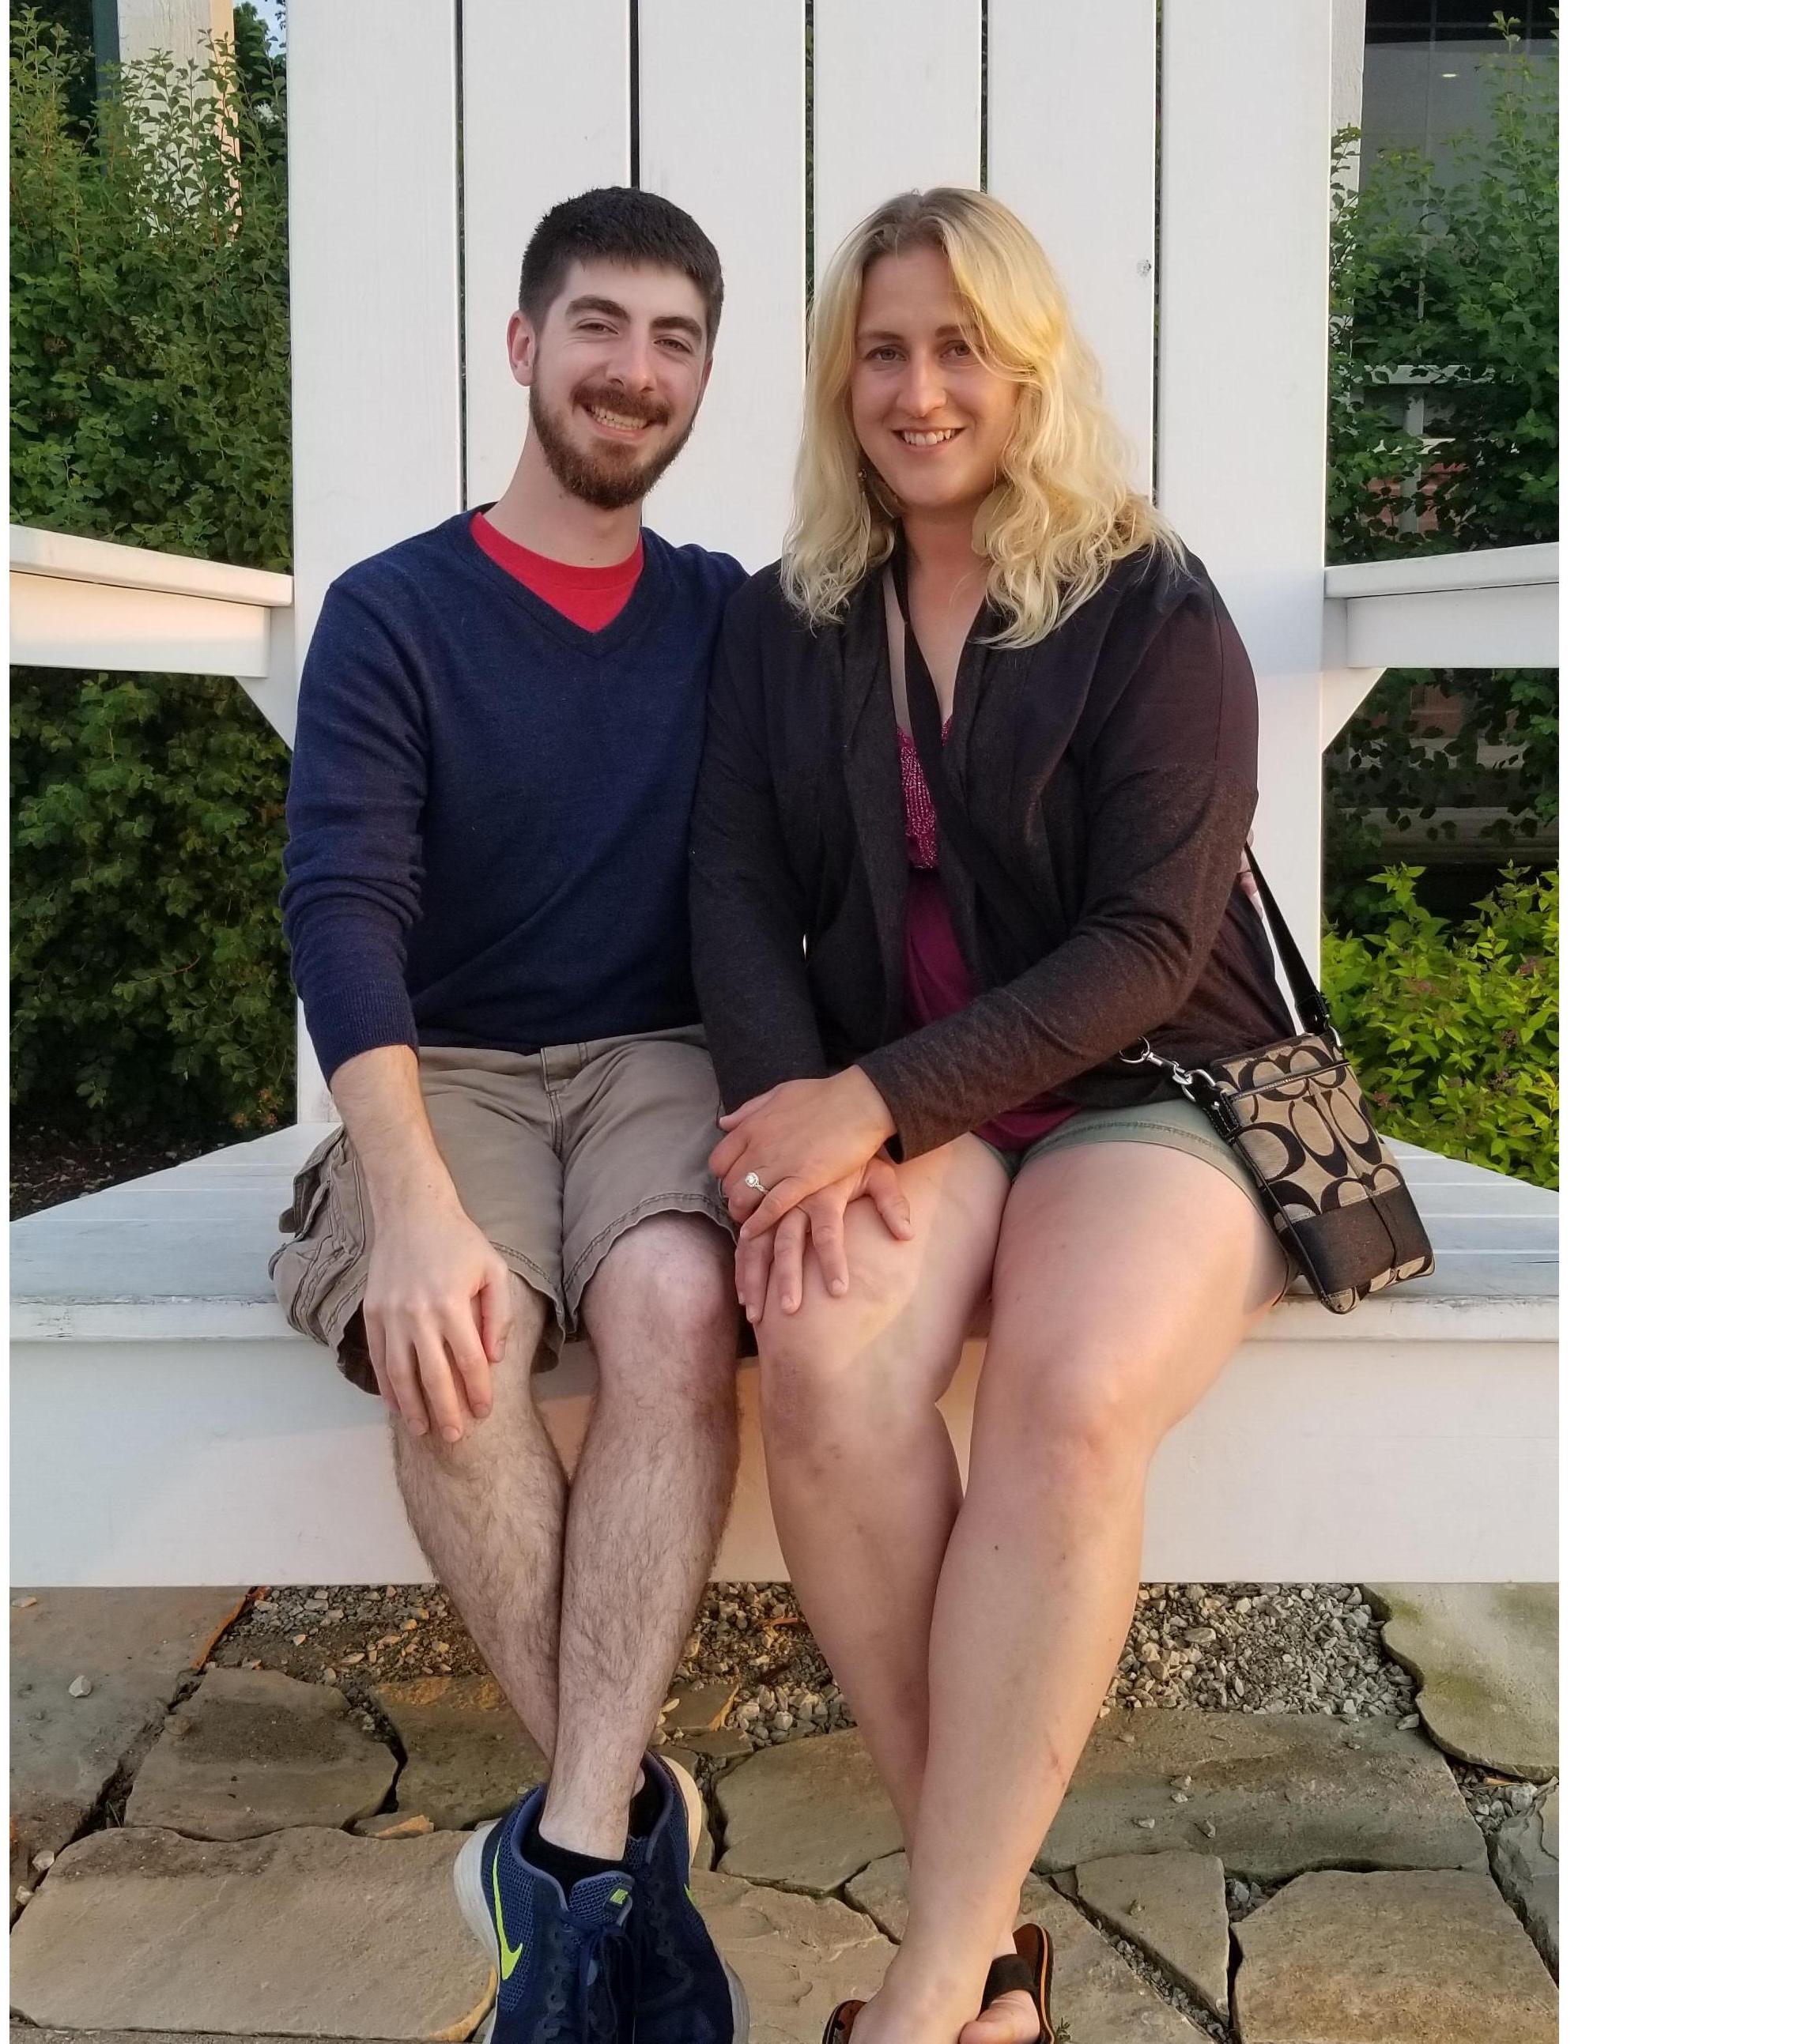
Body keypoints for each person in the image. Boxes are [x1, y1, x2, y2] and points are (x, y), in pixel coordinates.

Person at [689, 188, 1296, 2044]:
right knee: (819, 1356)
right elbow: (733, 884)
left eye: (961, 347)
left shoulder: (1150, 603)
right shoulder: (792, 619)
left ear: (1030, 370)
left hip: (1143, 1080)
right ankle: (986, 1952)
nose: (920, 389)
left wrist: (869, 1103)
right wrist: (789, 1124)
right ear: (840, 383)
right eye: (883, 351)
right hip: (907, 1103)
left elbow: (1148, 945)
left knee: (1074, 1390)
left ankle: (932, 1986)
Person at [279, 187, 750, 2044]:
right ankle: (620, 1837)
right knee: (456, 1339)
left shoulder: (726, 619)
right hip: (451, 1061)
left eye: (674, 339)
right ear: (524, 346)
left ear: (701, 376)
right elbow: (344, 905)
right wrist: (406, 1204)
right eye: (600, 326)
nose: (634, 371)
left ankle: (555, 1858)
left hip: (659, 1052)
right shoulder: (395, 614)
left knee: (678, 1306)